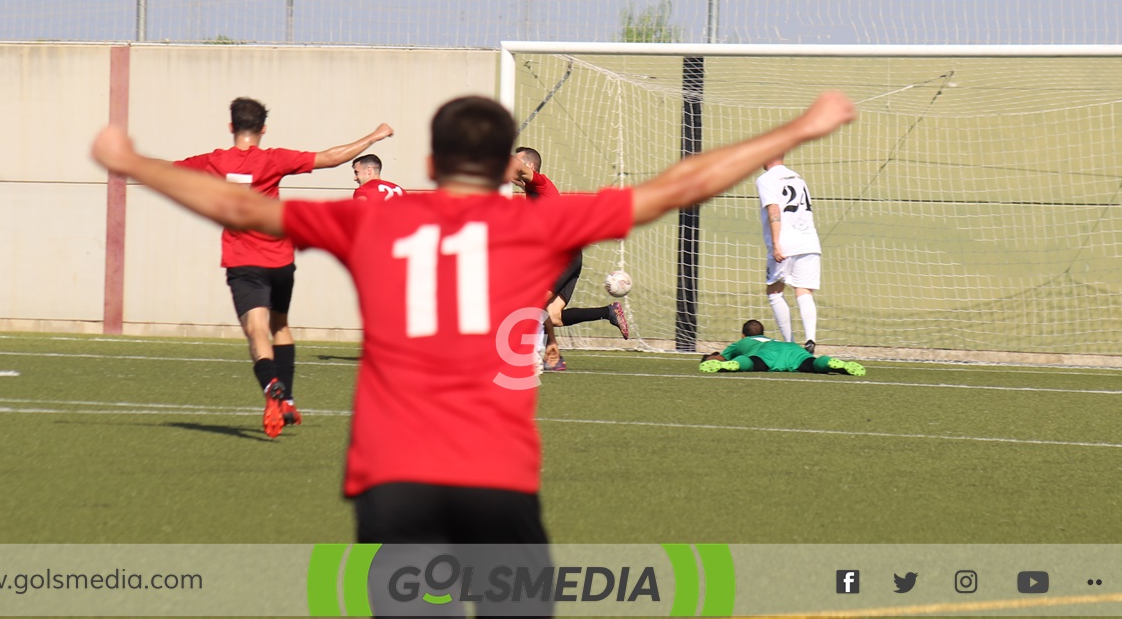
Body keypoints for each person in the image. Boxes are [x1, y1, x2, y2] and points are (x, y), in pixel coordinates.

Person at [91, 91, 854, 557]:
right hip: (496, 477)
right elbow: (675, 186)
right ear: (503, 170)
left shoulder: (379, 224)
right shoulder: (534, 223)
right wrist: (802, 127)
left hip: (391, 483)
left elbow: (239, 205)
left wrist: (133, 160)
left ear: (426, 157)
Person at [175, 97, 393, 438]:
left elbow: (163, 171)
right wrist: (373, 137)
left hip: (242, 259)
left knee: (256, 330)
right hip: (279, 257)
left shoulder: (214, 162)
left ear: (231, 126)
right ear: (263, 129)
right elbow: (331, 157)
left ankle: (271, 385)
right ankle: (287, 399)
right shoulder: (274, 159)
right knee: (280, 326)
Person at [511, 146, 628, 372]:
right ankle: (608, 312)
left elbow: (515, 170)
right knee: (552, 316)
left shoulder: (541, 182)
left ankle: (532, 360)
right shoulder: (532, 190)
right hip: (569, 256)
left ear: (530, 167)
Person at [756, 153, 822, 354]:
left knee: (775, 292)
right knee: (803, 291)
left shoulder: (766, 179)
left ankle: (790, 343)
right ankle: (810, 339)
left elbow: (774, 210)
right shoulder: (798, 177)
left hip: (785, 240)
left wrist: (776, 243)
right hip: (809, 241)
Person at [699, 319, 865, 376]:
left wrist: (708, 359)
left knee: (751, 362)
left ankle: (733, 366)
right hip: (791, 348)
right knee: (811, 364)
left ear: (744, 335)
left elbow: (719, 357)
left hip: (767, 353)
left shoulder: (741, 343)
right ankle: (831, 363)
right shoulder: (770, 338)